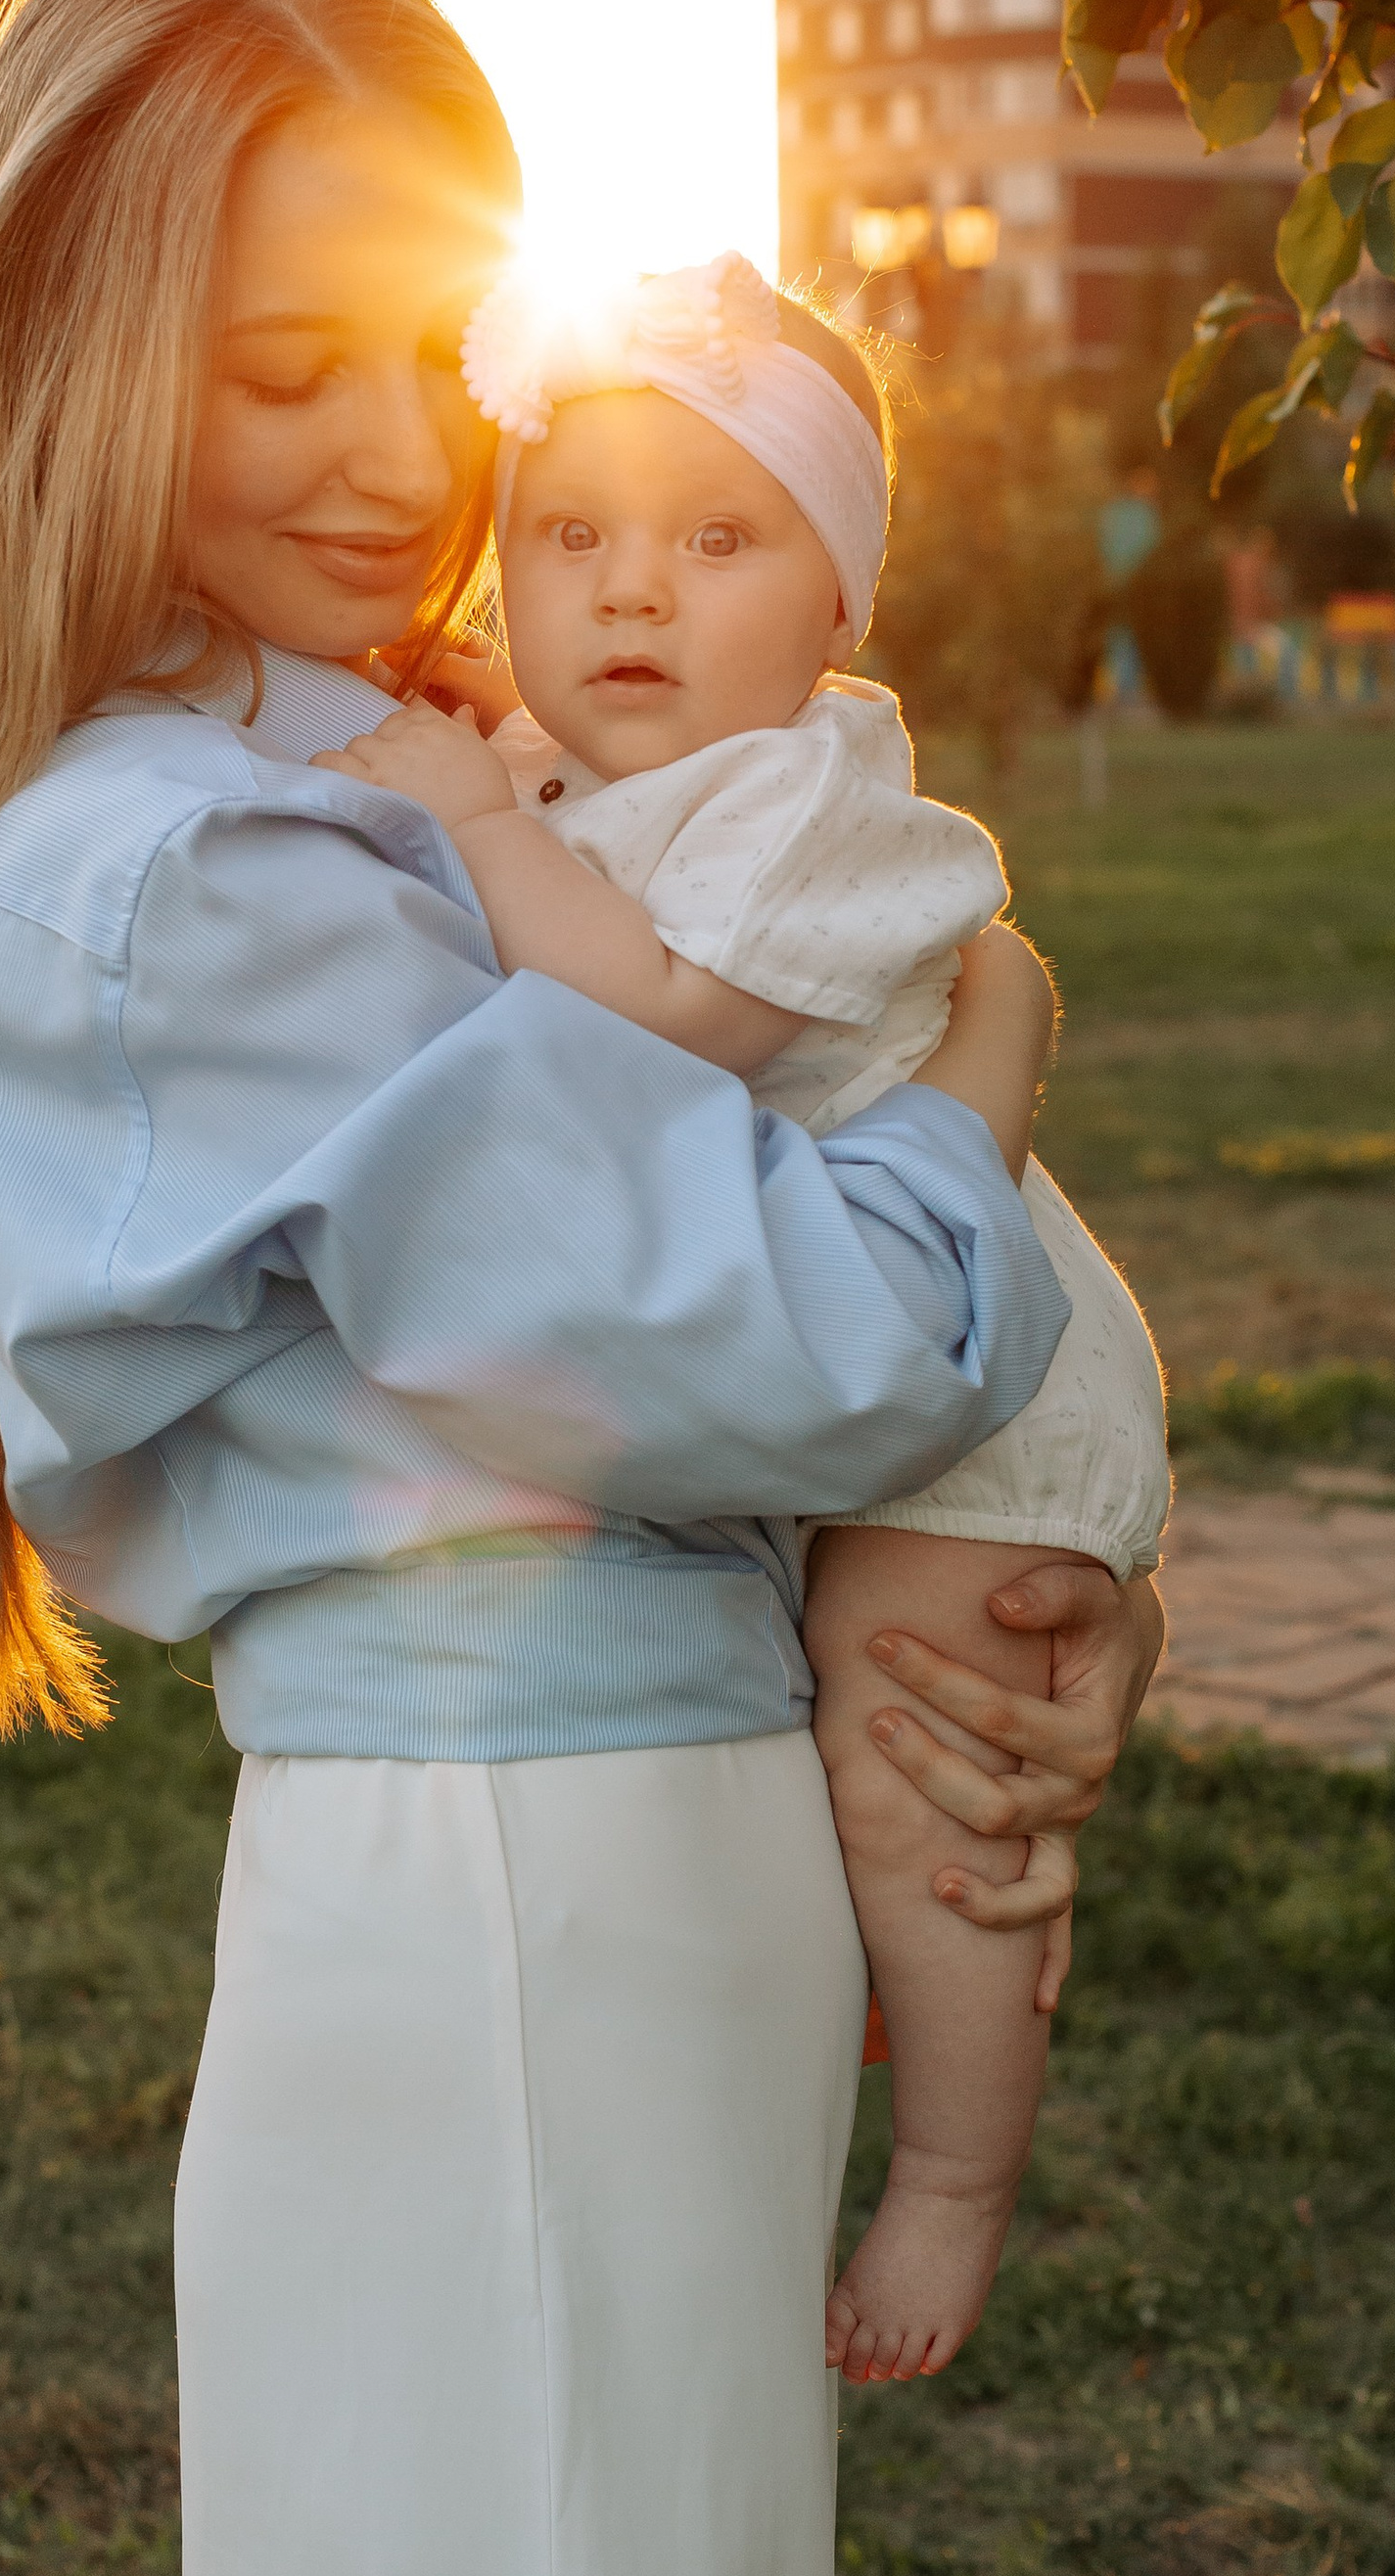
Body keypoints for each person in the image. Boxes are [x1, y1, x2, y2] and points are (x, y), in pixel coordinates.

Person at [0, 0, 1170, 2576]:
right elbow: (784, 1341)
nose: (406, 459)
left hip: (608, 1860)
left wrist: (1018, 1613)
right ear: (80, 353)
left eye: (440, 359)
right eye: (290, 372)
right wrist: (989, 1067)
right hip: (530, 1888)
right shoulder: (192, 871)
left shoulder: (363, 772)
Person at [315, 253, 1172, 2387]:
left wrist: (477, 814)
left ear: (838, 616)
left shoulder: (806, 797)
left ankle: (954, 2183)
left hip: (987, 1389)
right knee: (866, 1780)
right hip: (871, 1334)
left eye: (716, 541)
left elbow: (665, 1028)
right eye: (567, 536)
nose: (629, 595)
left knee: (927, 1794)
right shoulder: (608, 766)